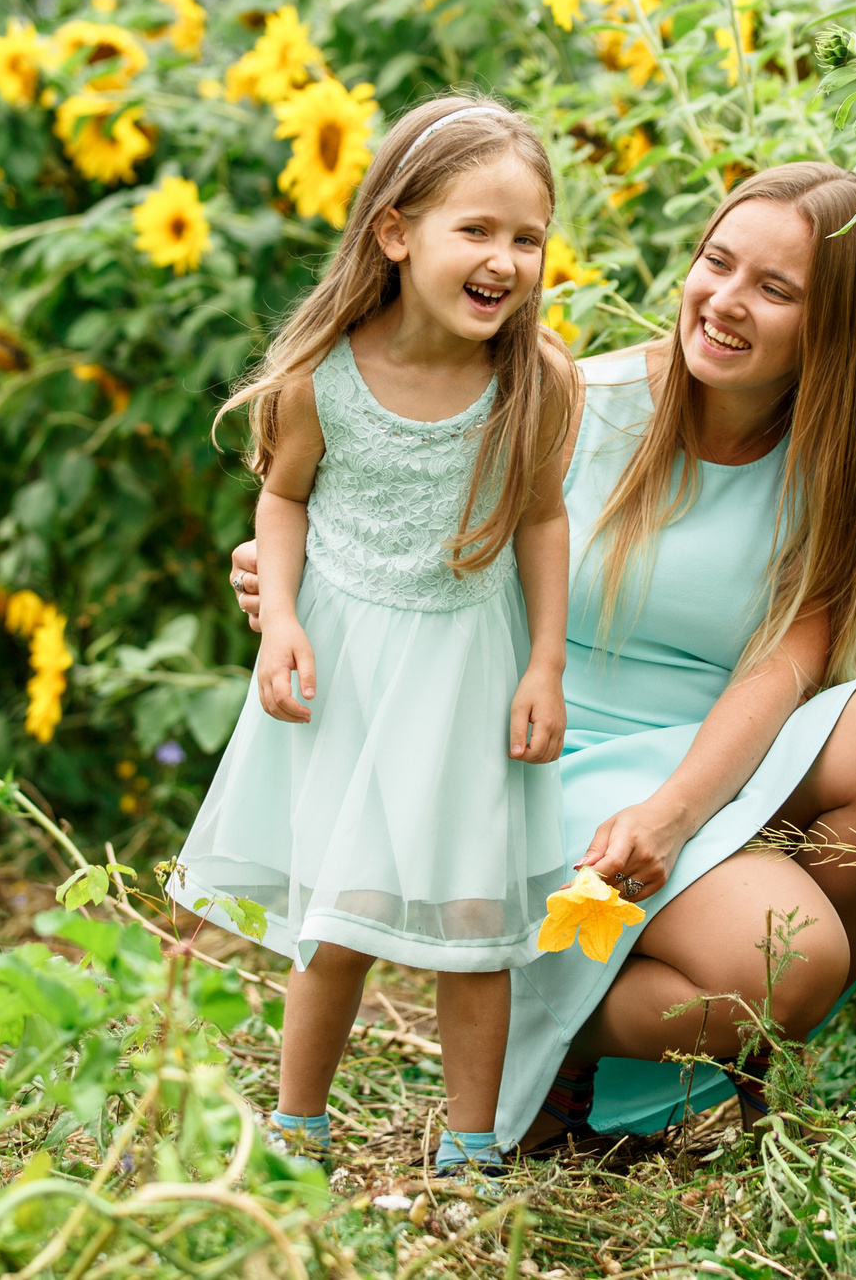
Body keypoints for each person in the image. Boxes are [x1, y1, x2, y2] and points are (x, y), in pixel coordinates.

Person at [230, 162, 856, 1155]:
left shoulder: (827, 463)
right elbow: (390, 521)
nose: (724, 301)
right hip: (532, 761)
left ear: (831, 325)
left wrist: (672, 814)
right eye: (716, 263)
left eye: (775, 289)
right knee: (785, 965)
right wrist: (296, 581)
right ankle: (528, 1028)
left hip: (697, 775)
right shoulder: (572, 403)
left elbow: (783, 670)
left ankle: (582, 1055)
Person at [168, 95, 581, 1182]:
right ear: (396, 233)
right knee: (338, 914)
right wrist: (284, 623)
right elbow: (283, 501)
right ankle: (297, 1125)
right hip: (349, 667)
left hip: (465, 673)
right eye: (476, 231)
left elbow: (541, 519)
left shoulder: (534, 387)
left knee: (475, 918)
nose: (505, 259)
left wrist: (545, 661)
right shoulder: (321, 381)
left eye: (526, 237)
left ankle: (469, 1142)